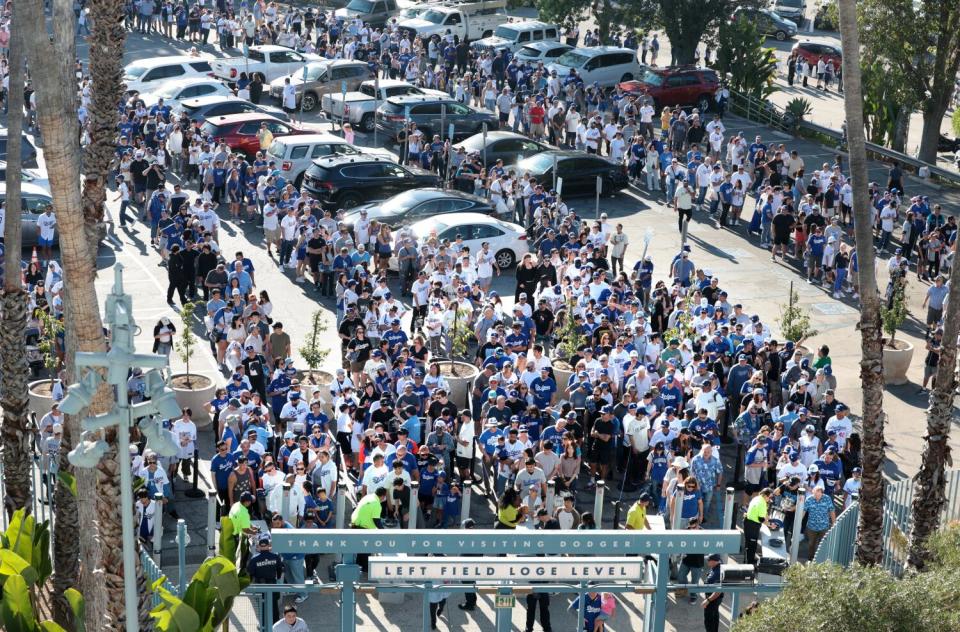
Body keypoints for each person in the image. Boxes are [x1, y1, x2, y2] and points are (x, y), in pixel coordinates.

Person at [247, 533, 283, 623]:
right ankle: (275, 625)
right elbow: (280, 569)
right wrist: (278, 578)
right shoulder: (275, 556)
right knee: (274, 606)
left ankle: (263, 624)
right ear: (269, 546)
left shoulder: (254, 559)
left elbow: (250, 573)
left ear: (259, 546)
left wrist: (251, 581)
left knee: (262, 605)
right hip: (272, 585)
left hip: (260, 586)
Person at [743, 487, 773, 564]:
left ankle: (747, 559)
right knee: (752, 545)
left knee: (748, 544)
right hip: (752, 525)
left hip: (748, 522)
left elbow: (764, 512)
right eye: (769, 497)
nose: (770, 499)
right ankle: (750, 563)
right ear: (765, 496)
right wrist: (770, 525)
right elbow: (761, 519)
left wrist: (768, 519)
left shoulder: (758, 498)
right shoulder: (762, 503)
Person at [701, 554, 723, 632]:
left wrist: (708, 600)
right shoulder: (715, 568)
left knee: (710, 621)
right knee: (714, 618)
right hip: (713, 599)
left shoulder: (718, 572)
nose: (707, 561)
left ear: (713, 561)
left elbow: (718, 590)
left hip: (713, 600)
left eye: (708, 560)